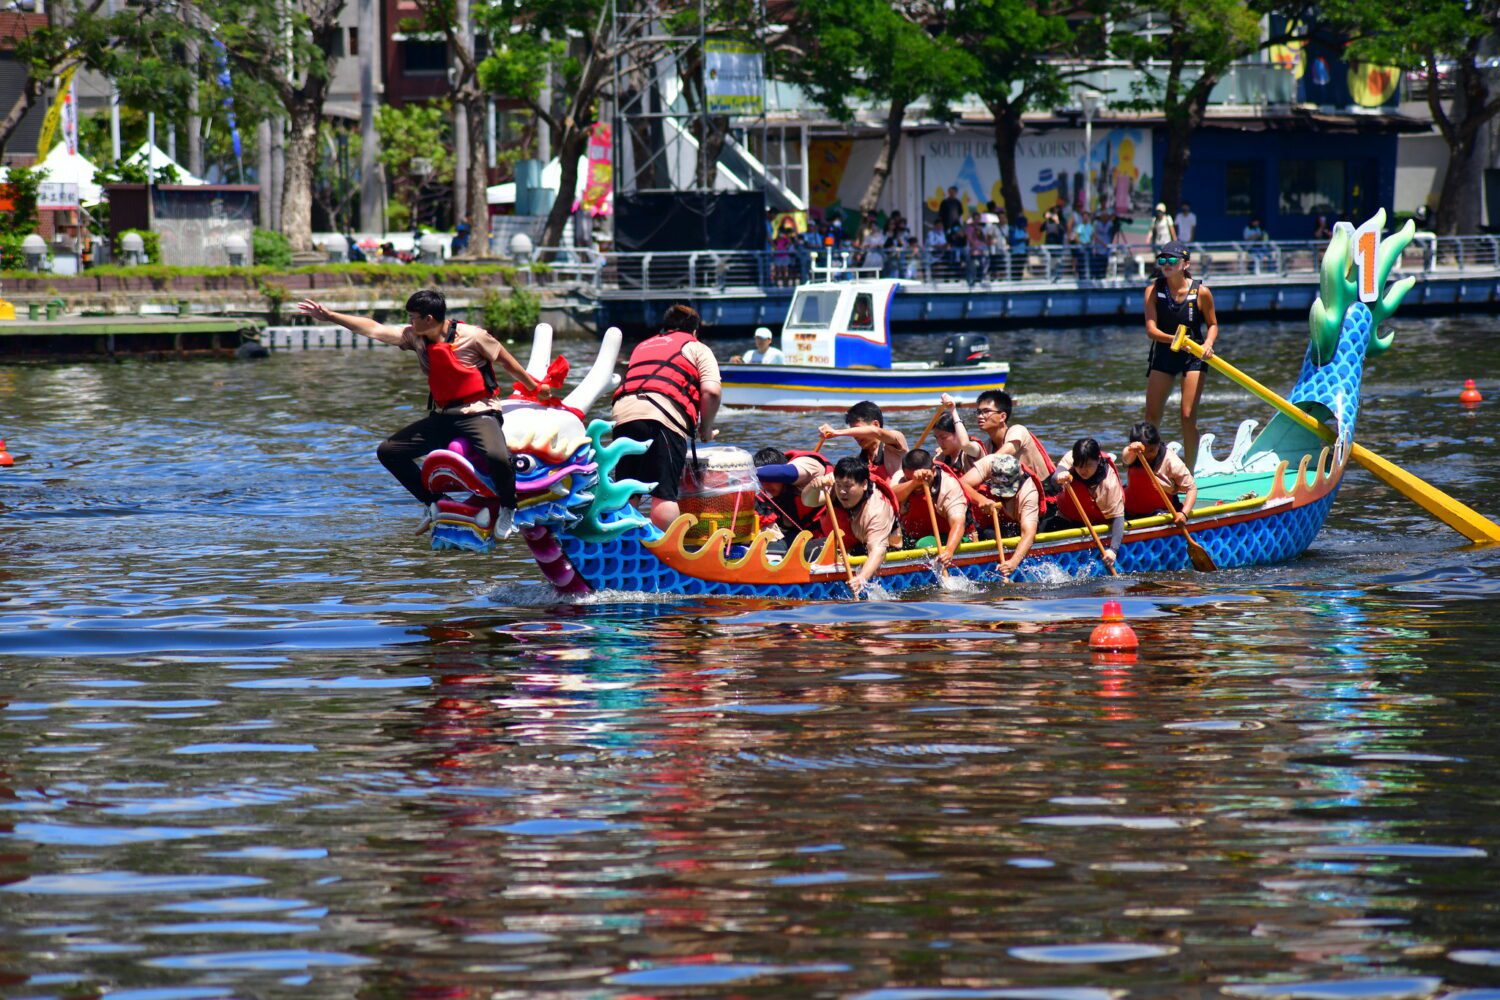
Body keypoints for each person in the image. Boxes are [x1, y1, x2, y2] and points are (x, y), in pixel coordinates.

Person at [296, 290, 550, 536]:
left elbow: (506, 361)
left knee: (497, 456)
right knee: (388, 452)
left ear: (429, 318)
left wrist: (535, 388)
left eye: (413, 317)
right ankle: (435, 502)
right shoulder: (415, 337)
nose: (409, 322)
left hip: (478, 412)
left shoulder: (473, 336)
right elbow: (373, 328)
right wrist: (330, 316)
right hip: (443, 416)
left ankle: (509, 507)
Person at [612, 303, 723, 530]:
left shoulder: (642, 346)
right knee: (664, 493)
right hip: (662, 416)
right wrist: (706, 429)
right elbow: (711, 392)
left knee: (628, 488)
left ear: (665, 327)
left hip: (622, 415)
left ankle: (622, 543)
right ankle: (666, 554)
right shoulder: (697, 347)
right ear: (694, 331)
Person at [1143, 239, 1218, 470]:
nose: (1166, 263)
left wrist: (1207, 343)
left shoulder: (1201, 292)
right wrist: (1174, 340)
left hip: (1193, 354)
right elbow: (1151, 330)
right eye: (1162, 259)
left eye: (1172, 260)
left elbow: (1213, 324)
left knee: (1187, 415)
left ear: (1185, 263)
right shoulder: (1153, 290)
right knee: (1151, 417)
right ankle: (1150, 469)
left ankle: (1189, 472)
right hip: (1165, 352)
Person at [802, 456, 901, 595]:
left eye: (848, 487)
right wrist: (812, 486)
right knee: (809, 548)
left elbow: (878, 550)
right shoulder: (834, 483)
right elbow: (807, 501)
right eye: (839, 485)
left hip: (883, 548)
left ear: (864, 484)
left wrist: (861, 578)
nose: (842, 491)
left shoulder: (877, 509)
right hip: (851, 544)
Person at [1045, 437, 1125, 571]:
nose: (1083, 470)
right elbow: (1054, 477)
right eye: (1079, 466)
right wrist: (1059, 476)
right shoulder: (1073, 457)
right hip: (1068, 517)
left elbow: (1118, 517)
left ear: (1098, 460)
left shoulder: (1108, 484)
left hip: (1097, 525)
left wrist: (1113, 550)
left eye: (1088, 465)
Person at [961, 453, 1040, 579]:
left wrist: (1013, 563)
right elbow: (961, 484)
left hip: (1017, 525)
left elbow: (1028, 533)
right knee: (985, 532)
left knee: (994, 534)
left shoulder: (1029, 493)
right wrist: (980, 499)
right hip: (990, 521)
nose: (1003, 495)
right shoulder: (990, 464)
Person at [891, 449, 970, 567]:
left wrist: (948, 552)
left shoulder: (948, 485)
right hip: (913, 535)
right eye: (909, 478)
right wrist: (914, 483)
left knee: (923, 544)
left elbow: (957, 523)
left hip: (949, 537)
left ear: (933, 471)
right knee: (889, 544)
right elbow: (891, 497)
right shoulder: (900, 477)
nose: (918, 486)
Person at [1119, 420, 1197, 523]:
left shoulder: (1171, 461)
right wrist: (1133, 450)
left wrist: (1184, 514)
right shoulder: (1133, 453)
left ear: (1158, 444)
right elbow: (1126, 458)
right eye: (1144, 452)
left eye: (1151, 450)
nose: (1147, 455)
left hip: (1161, 513)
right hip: (1130, 511)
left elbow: (1192, 489)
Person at [753, 445, 833, 545]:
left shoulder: (808, 464)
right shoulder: (766, 492)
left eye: (770, 479)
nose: (766, 485)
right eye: (762, 481)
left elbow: (786, 472)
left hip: (829, 538)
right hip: (800, 537)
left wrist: (741, 472)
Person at [969, 389, 1054, 479]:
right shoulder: (988, 445)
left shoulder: (1018, 431)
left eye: (986, 411)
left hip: (1042, 490)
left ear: (1002, 417)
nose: (980, 416)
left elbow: (997, 458)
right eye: (978, 412)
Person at [818, 400, 908, 481]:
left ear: (876, 424)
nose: (854, 436)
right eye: (852, 431)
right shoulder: (859, 462)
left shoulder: (897, 441)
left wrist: (836, 432)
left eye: (857, 430)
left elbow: (876, 432)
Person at [933, 394, 983, 474]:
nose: (939, 442)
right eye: (937, 438)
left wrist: (953, 410)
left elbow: (964, 444)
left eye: (943, 437)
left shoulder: (973, 449)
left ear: (957, 434)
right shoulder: (940, 457)